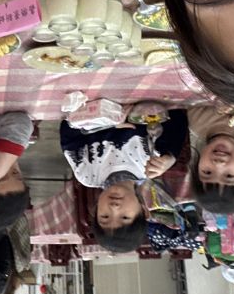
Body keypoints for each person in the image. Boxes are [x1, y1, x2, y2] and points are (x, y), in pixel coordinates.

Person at [60, 106, 188, 252]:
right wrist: (171, 156)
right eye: (125, 217)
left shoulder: (87, 175)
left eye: (105, 216)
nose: (114, 208)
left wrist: (108, 122)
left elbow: (67, 128)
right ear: (144, 211)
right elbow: (176, 116)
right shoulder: (152, 165)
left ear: (95, 209)